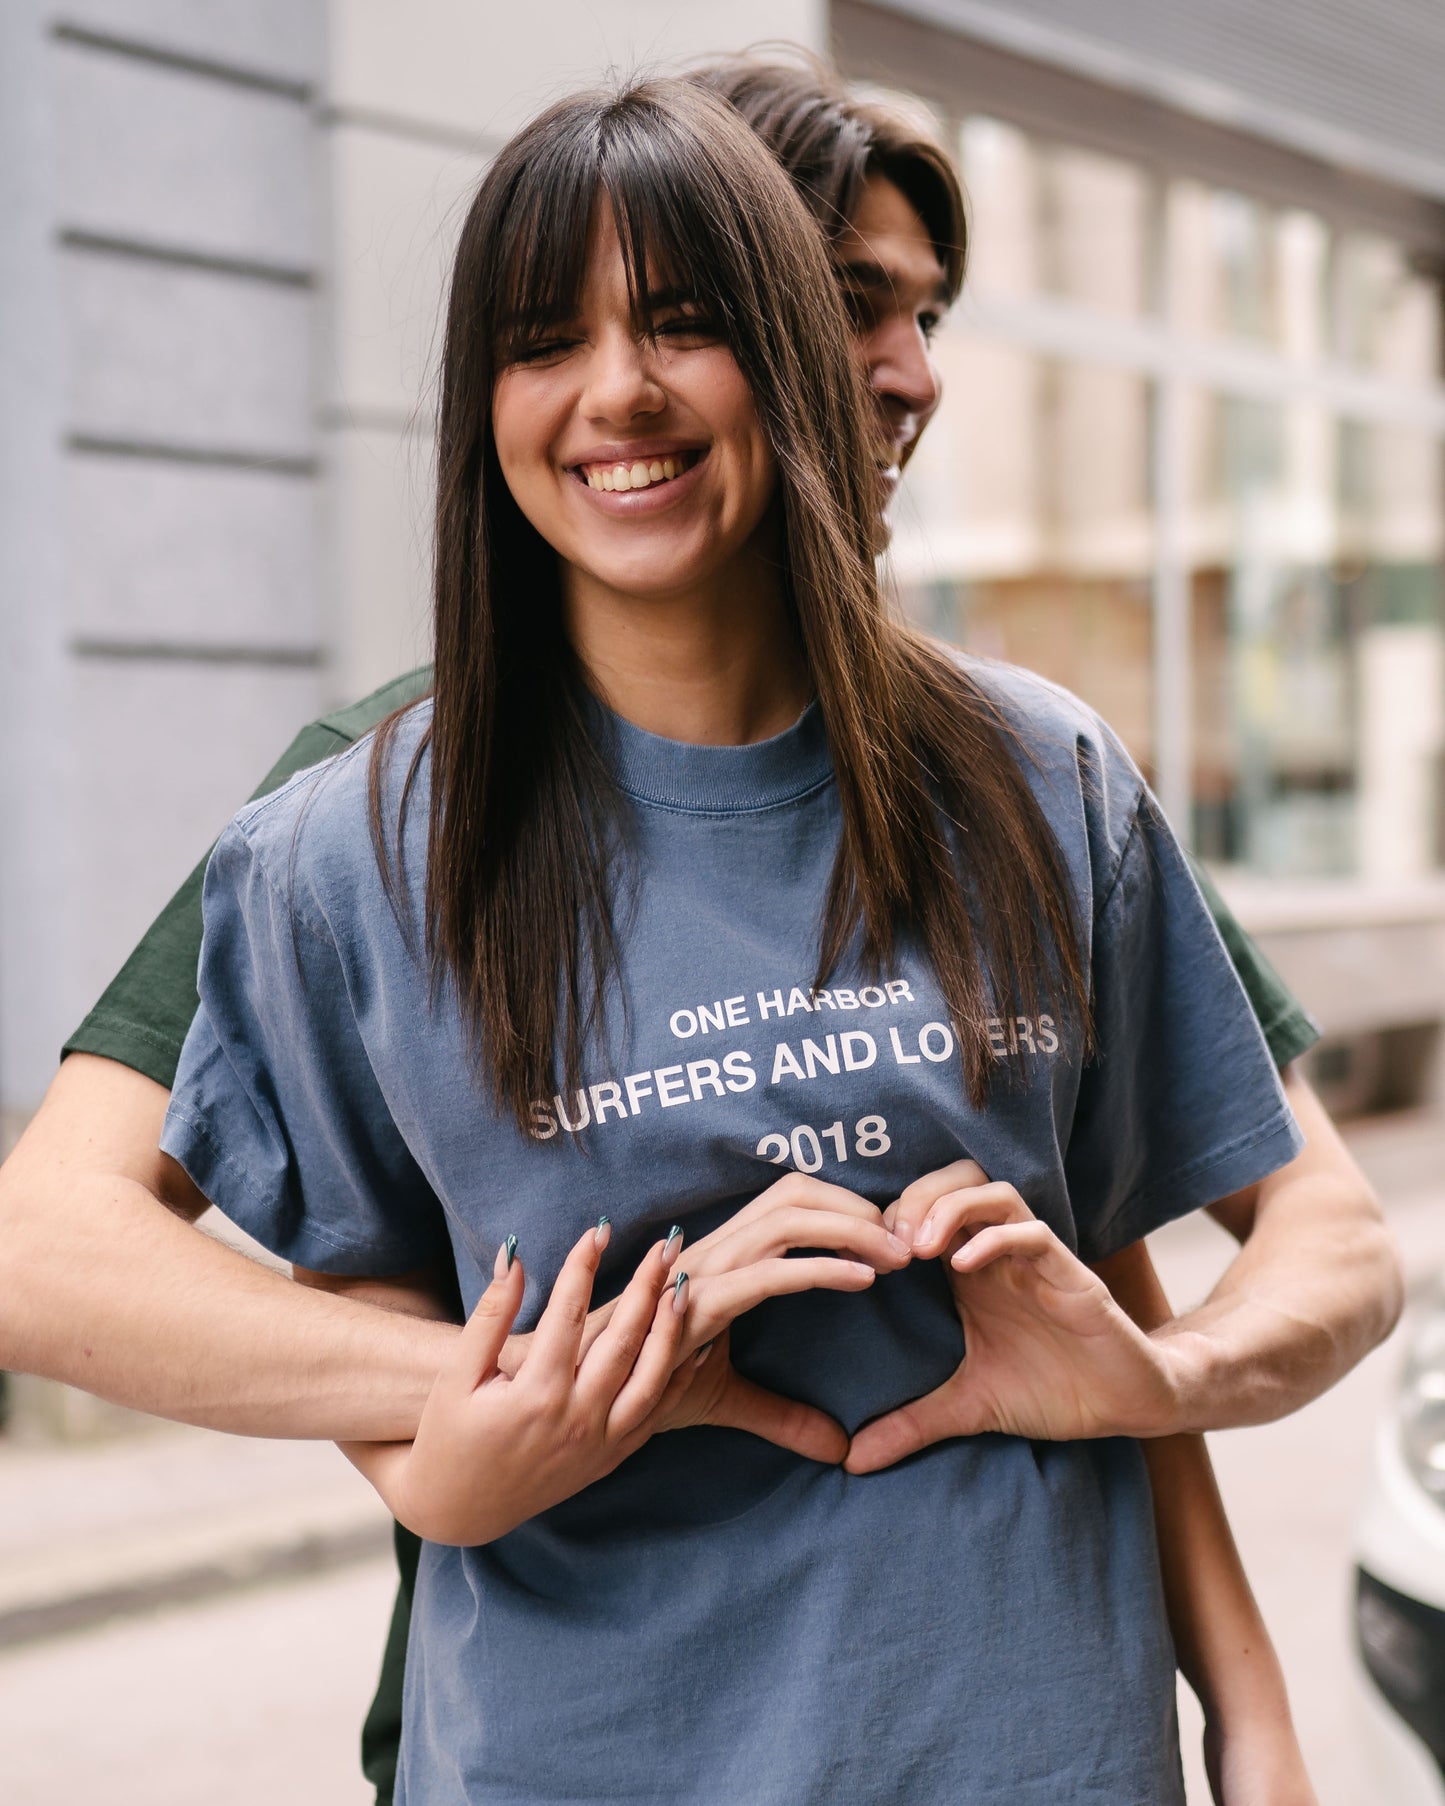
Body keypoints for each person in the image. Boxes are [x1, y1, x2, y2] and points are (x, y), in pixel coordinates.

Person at [0, 48, 1393, 1806]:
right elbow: (67, 1254)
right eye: (860, 305)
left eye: (679, 319)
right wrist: (560, 1382)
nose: (913, 373)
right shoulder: (350, 835)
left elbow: (1090, 1263)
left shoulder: (1036, 777)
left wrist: (1246, 1706)